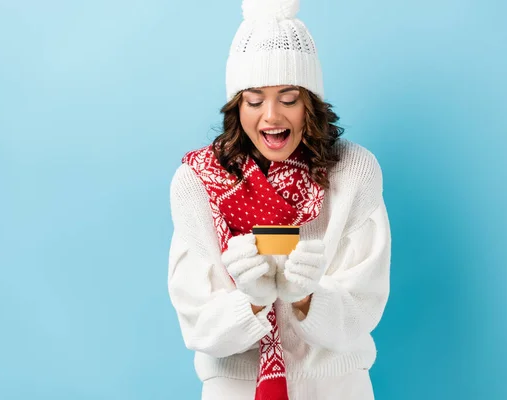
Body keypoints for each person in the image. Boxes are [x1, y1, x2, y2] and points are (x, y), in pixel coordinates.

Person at [167, 1, 391, 399]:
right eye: (254, 100)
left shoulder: (353, 171)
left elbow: (362, 309)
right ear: (237, 107)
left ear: (311, 104)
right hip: (235, 389)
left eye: (288, 99)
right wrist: (251, 301)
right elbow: (198, 325)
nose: (271, 116)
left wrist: (307, 297)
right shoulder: (197, 183)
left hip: (337, 387)